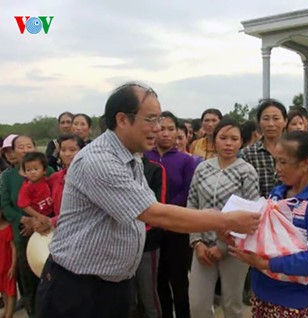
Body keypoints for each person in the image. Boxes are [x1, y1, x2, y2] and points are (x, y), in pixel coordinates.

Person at [34, 82, 260, 318]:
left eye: (160, 119)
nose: (158, 128)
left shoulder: (131, 158)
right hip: (77, 290)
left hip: (111, 285)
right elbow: (155, 213)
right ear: (122, 119)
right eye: (151, 119)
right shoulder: (100, 161)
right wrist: (224, 221)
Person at [230, 131, 308, 317]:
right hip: (261, 290)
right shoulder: (277, 195)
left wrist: (266, 263)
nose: (277, 169)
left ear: (305, 163)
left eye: (283, 162)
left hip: (291, 298)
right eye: (276, 161)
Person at [188, 117, 260, 318]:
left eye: (234, 139)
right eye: (223, 138)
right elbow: (192, 205)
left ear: (241, 142)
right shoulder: (202, 168)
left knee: (232, 305)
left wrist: (222, 247)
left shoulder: (246, 171)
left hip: (234, 248)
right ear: (214, 140)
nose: (228, 143)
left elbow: (251, 213)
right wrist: (197, 242)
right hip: (202, 247)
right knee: (198, 305)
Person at [145, 111, 196, 318]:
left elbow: (187, 191)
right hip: (150, 229)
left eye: (171, 129)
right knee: (158, 281)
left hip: (177, 227)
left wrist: (165, 213)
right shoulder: (144, 158)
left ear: (178, 132)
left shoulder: (186, 161)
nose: (165, 133)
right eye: (161, 128)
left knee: (179, 280)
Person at [1, 135, 53, 317]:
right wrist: (27, 221)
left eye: (29, 145)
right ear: (13, 152)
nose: (25, 149)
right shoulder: (8, 177)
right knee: (28, 281)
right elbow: (6, 206)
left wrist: (40, 222)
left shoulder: (48, 170)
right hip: (22, 234)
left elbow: (56, 199)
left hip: (48, 231)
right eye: (20, 147)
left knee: (51, 278)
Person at [128, 156, 166, 318]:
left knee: (148, 294)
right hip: (121, 243)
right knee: (127, 298)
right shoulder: (114, 169)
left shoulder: (155, 169)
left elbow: (160, 206)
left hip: (147, 242)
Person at [241, 99, 287, 198]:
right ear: (259, 122)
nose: (271, 124)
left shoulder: (295, 151)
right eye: (266, 119)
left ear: (285, 121)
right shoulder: (248, 153)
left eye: (276, 118)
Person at [17, 152, 54, 226]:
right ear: (24, 173)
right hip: (39, 216)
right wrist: (38, 216)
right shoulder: (26, 188)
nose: (32, 172)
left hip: (53, 212)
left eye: (36, 169)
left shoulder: (47, 181)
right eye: (28, 170)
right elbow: (24, 206)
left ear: (44, 171)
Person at [0, 211, 16, 318]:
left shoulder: (8, 228)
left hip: (8, 266)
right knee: (3, 290)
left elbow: (13, 248)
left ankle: (9, 314)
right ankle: (6, 310)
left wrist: (13, 266)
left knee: (10, 291)